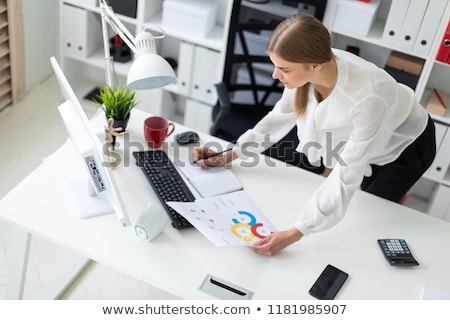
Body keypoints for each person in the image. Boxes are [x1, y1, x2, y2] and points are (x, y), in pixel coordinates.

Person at [193, 13, 436, 256]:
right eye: (275, 66)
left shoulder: (366, 98)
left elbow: (345, 174)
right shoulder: (309, 73)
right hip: (371, 133)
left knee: (370, 214)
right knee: (356, 201)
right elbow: (277, 120)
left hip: (406, 148)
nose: (275, 76)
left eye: (284, 69)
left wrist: (295, 232)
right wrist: (229, 155)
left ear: (314, 65)